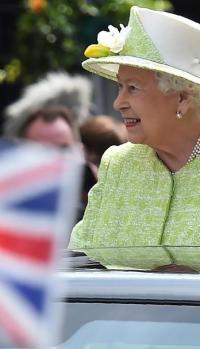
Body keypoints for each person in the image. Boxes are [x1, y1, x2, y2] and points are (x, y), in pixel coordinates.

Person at [69, 6, 200, 271]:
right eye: (120, 86)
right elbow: (82, 261)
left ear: (183, 98)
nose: (119, 103)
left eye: (133, 88)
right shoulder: (117, 164)